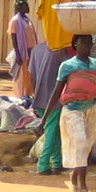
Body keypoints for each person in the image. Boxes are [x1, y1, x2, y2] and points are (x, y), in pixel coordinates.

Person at [56, 34, 96, 192]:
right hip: (72, 110)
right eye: (83, 41)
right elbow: (57, 91)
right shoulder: (67, 65)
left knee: (86, 146)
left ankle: (74, 176)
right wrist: (44, 119)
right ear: (75, 44)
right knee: (80, 141)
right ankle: (83, 185)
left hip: (91, 109)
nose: (87, 44)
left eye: (89, 41)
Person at [29, 39, 68, 175]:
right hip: (53, 99)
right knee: (51, 133)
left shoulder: (36, 50)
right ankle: (43, 165)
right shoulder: (59, 51)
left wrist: (34, 94)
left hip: (39, 97)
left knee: (54, 131)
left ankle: (57, 162)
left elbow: (32, 76)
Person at [8, 0, 38, 98]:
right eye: (26, 6)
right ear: (20, 8)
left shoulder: (27, 20)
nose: (28, 7)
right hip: (22, 53)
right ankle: (19, 96)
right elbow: (14, 38)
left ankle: (27, 95)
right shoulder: (15, 21)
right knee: (21, 77)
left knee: (29, 76)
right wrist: (18, 54)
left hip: (30, 51)